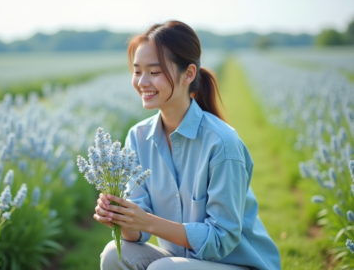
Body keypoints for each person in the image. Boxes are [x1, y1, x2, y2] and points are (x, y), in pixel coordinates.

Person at [94, 20, 281, 270]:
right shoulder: (137, 138)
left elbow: (220, 240)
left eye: (155, 71)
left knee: (164, 268)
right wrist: (122, 218)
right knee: (113, 254)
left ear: (189, 74)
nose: (142, 82)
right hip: (184, 263)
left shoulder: (222, 143)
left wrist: (147, 222)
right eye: (137, 71)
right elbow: (136, 233)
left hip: (238, 264)